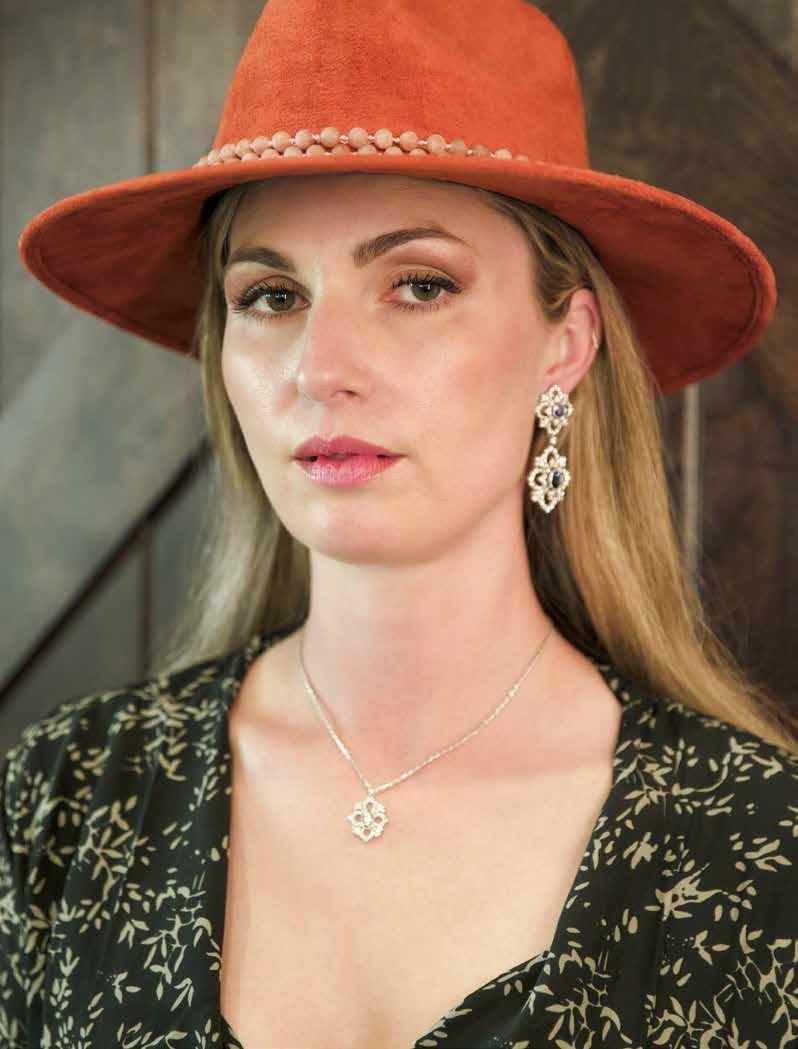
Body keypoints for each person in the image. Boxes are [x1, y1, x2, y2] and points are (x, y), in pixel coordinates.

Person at [3, 0, 797, 1047]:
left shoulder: (758, 846)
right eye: (271, 295)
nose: (320, 368)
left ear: (564, 344)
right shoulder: (63, 803)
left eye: (418, 285)